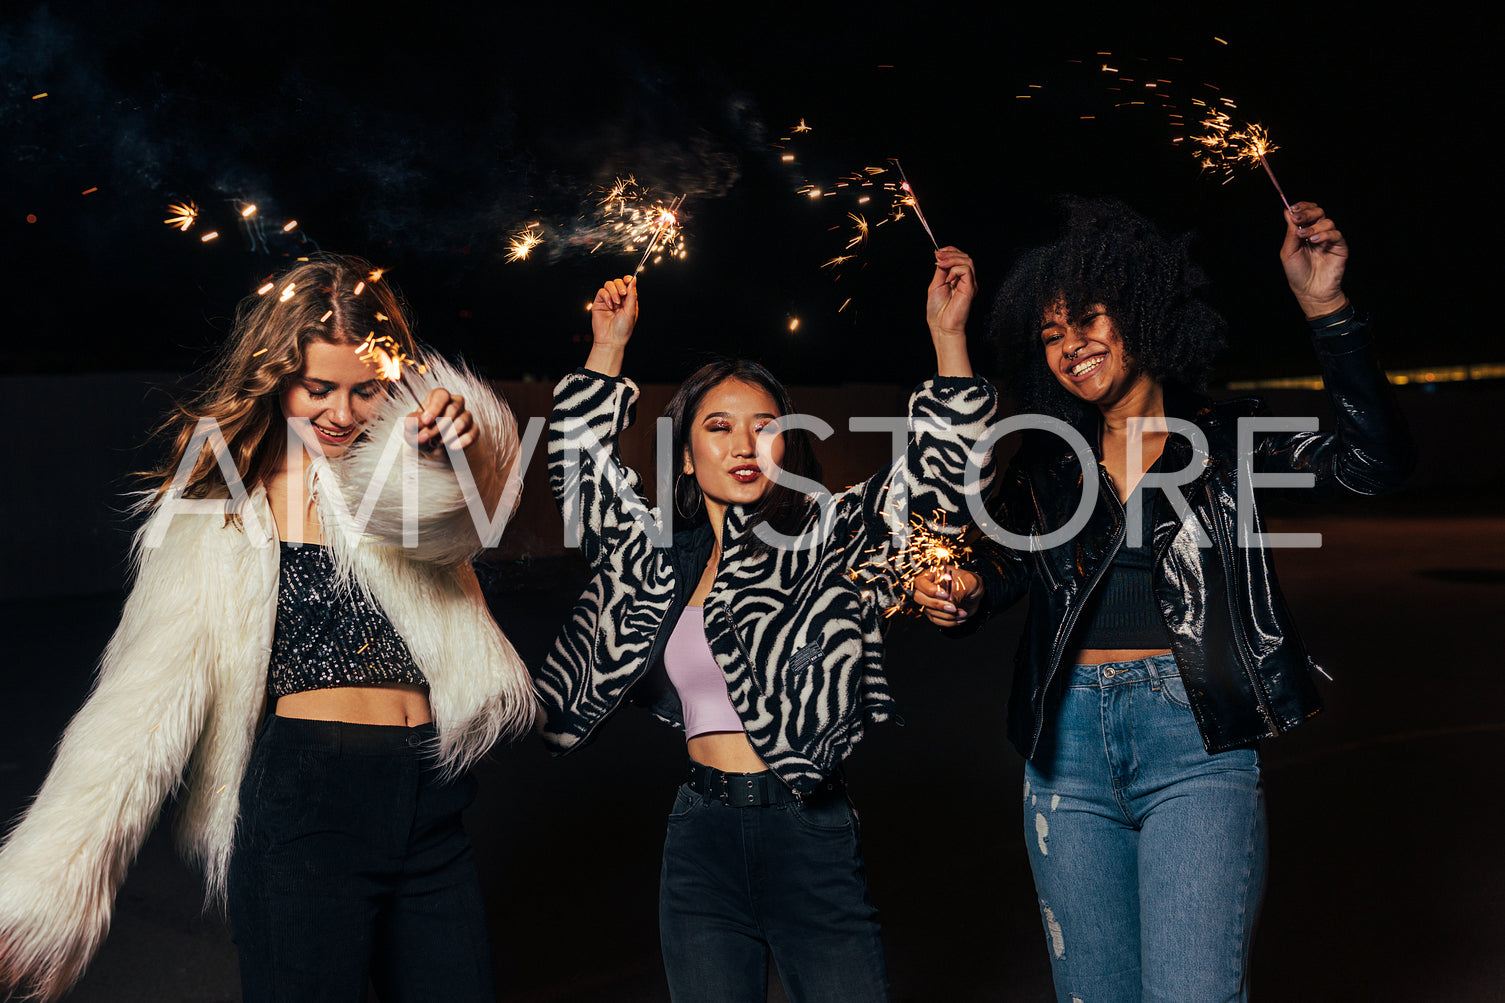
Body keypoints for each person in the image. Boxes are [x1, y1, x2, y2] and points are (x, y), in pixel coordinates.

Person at [0, 255, 536, 1002]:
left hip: (429, 799)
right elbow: (138, 704)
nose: (342, 414)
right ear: (277, 377)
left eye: (366, 390)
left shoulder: (398, 479)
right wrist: (43, 882)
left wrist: (456, 449)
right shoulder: (214, 516)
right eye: (318, 388)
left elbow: (453, 525)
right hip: (301, 808)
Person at [914, 199, 1413, 1001]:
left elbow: (1372, 463)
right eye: (1048, 334)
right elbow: (998, 565)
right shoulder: (1048, 458)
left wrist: (1324, 305)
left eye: (1085, 319)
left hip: (1195, 743)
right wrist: (962, 588)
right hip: (1064, 754)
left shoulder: (1222, 439)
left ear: (1142, 311)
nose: (1067, 344)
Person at [532, 251, 997, 1001]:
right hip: (698, 840)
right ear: (685, 457)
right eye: (718, 427)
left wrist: (947, 336)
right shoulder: (656, 557)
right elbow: (580, 472)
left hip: (805, 832)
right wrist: (609, 346)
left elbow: (938, 475)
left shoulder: (827, 534)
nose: (744, 444)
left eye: (765, 427)